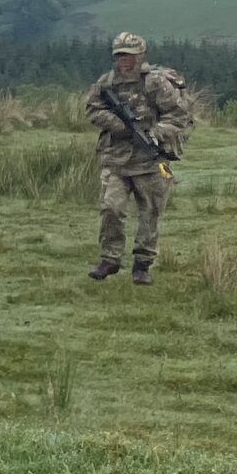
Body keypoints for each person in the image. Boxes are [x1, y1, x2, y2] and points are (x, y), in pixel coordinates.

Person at [83, 30, 192, 285]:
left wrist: (155, 133)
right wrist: (117, 124)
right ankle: (109, 259)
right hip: (116, 159)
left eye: (130, 55)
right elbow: (93, 109)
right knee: (111, 208)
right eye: (120, 55)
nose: (125, 60)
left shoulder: (155, 83)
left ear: (141, 55)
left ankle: (142, 265)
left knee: (150, 213)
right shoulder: (106, 83)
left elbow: (178, 115)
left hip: (151, 161)